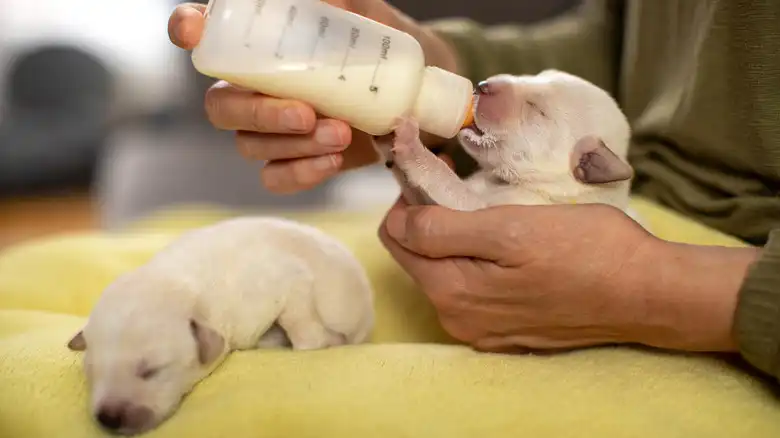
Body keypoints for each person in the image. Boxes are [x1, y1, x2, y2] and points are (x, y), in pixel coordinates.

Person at [168, 1, 780, 381]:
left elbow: (462, 206)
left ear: (589, 169)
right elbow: (628, 47)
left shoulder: (563, 198)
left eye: (535, 111)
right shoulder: (552, 168)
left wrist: (671, 290)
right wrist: (439, 60)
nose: (497, 87)